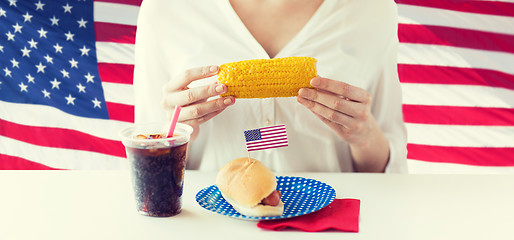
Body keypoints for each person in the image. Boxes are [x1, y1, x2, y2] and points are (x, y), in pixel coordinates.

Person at [133, 0, 407, 173]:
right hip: (209, 223)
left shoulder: (373, 9)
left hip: (329, 224)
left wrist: (365, 136)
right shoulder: (165, 9)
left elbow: (389, 173)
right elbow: (147, 168)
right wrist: (176, 135)